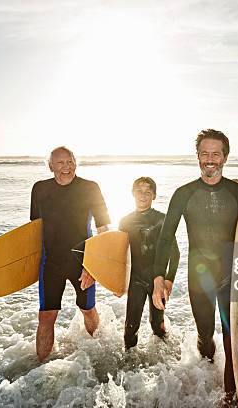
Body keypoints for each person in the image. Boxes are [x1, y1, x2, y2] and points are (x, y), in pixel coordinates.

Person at [152, 129, 238, 405]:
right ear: (198, 157)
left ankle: (229, 398)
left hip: (232, 277)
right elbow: (166, 237)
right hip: (198, 279)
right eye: (204, 154)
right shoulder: (184, 194)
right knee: (206, 336)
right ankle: (206, 365)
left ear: (225, 157)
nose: (210, 159)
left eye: (216, 154)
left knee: (231, 340)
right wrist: (160, 277)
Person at [30, 146, 110, 362]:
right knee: (46, 316)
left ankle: (97, 355)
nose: (66, 167)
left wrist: (94, 267)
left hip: (82, 263)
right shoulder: (39, 189)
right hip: (51, 264)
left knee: (88, 309)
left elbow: (103, 232)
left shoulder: (90, 188)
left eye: (70, 161)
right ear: (50, 166)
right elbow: (34, 229)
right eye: (60, 163)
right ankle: (39, 367)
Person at [119, 177, 180, 349]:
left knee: (157, 324)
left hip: (158, 281)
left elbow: (175, 254)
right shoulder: (125, 221)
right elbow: (119, 256)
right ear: (133, 194)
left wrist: (169, 280)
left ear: (154, 195)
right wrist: (117, 283)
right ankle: (129, 362)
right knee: (131, 326)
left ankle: (164, 359)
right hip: (135, 280)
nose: (143, 195)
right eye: (139, 191)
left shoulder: (163, 220)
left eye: (148, 192)